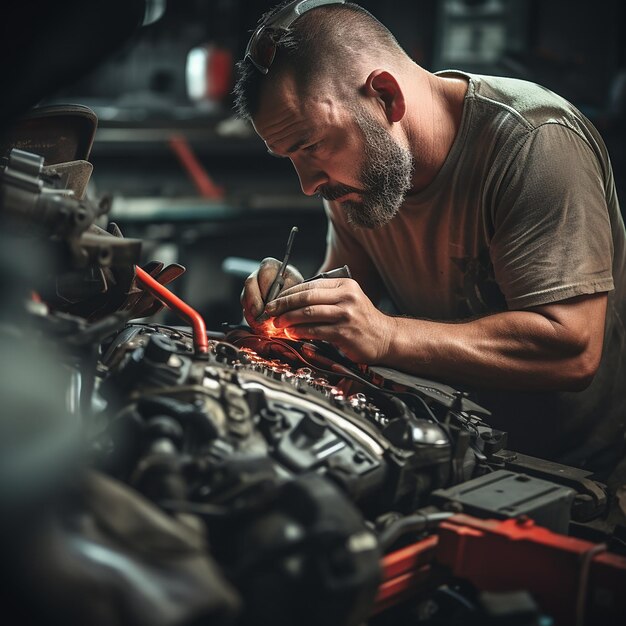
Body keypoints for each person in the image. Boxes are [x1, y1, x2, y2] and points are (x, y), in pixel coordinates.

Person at [235, 0, 626, 479]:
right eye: (290, 157)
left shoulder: (534, 143)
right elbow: (350, 292)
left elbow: (573, 349)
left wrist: (388, 334)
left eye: (311, 145)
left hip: (572, 473)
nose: (308, 184)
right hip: (443, 445)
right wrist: (298, 299)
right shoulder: (362, 177)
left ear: (386, 97)